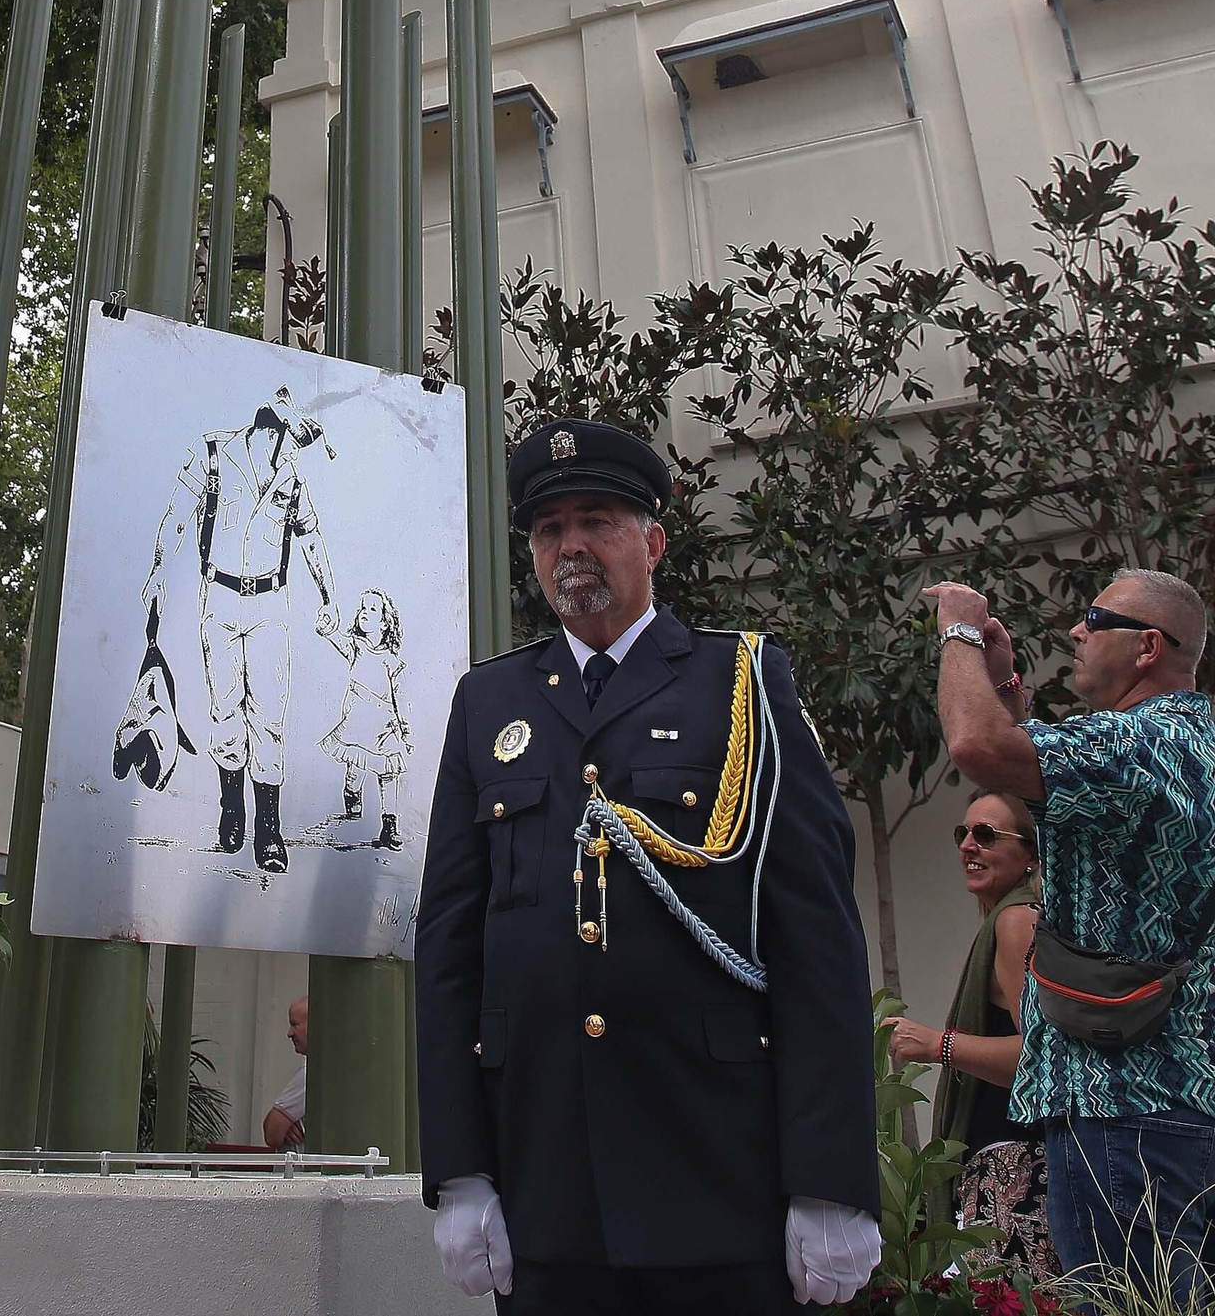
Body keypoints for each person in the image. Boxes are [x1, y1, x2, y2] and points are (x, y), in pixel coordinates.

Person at [416, 415, 882, 1313]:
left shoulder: (740, 682)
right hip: (545, 1180)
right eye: (550, 528)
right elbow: (449, 948)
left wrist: (830, 1180)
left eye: (598, 519)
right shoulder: (489, 701)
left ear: (653, 539)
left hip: (716, 1175)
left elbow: (817, 935)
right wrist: (462, 1168)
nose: (572, 545)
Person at [927, 565, 1215, 1308]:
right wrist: (1006, 696)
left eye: (1096, 618)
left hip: (1122, 1109)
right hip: (1183, 1107)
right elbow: (1058, 782)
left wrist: (959, 627)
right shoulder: (1189, 743)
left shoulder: (1134, 744)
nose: (1077, 630)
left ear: (1148, 645)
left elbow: (975, 747)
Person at [116, 398, 339, 874]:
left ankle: (269, 829)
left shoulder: (292, 479)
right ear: (272, 430)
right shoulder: (214, 454)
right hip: (218, 598)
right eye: (295, 440)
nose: (296, 452)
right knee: (225, 709)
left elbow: (311, 537)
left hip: (269, 603)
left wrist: (328, 596)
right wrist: (158, 570)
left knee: (269, 715)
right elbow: (179, 513)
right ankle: (231, 808)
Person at [883, 792, 1056, 1278]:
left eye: (986, 835)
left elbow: (1040, 1059)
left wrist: (939, 1045)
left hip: (1016, 1176)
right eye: (963, 834)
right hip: (1009, 1170)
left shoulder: (1015, 920)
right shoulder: (1009, 918)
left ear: (1030, 857)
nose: (968, 846)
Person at [319, 588, 411, 850]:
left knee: (388, 771)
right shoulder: (355, 647)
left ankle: (389, 823)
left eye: (372, 609)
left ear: (384, 622)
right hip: (357, 719)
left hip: (384, 725)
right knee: (356, 763)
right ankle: (351, 791)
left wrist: (404, 729)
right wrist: (325, 629)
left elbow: (399, 698)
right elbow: (336, 638)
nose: (364, 613)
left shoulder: (392, 662)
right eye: (363, 607)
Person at [262, 994, 309, 1150]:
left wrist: (283, 1125)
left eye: (295, 1024)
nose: (289, 1033)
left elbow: (271, 1134)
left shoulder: (311, 1074)